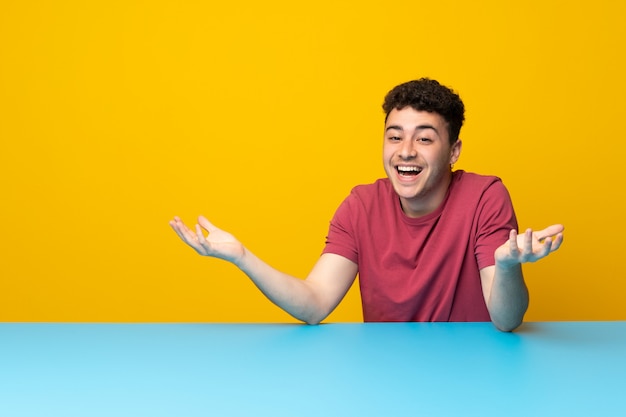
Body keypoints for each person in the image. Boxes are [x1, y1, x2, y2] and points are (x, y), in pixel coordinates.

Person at [169, 78, 564, 332]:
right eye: (394, 137)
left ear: (454, 150)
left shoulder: (484, 196)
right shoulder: (361, 205)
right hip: (385, 376)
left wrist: (509, 267)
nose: (405, 152)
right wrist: (242, 256)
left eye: (425, 139)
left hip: (471, 374)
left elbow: (507, 320)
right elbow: (315, 303)